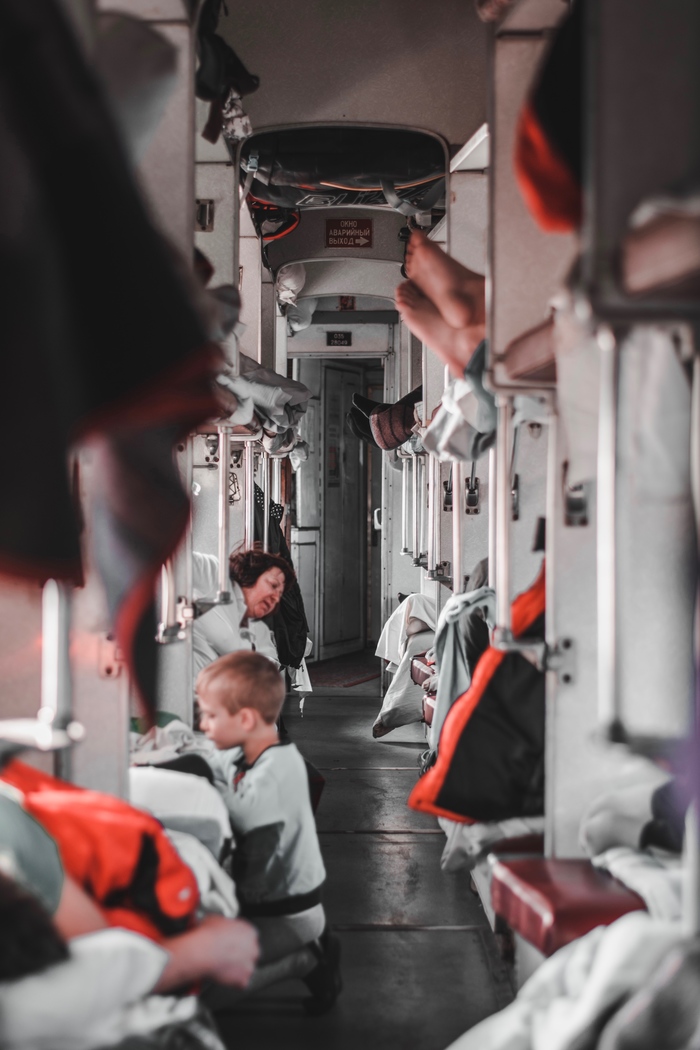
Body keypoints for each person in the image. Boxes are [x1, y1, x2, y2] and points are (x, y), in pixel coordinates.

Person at [196, 650, 342, 1014]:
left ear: (245, 719)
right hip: (266, 902)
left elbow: (242, 812)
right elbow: (219, 761)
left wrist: (208, 773)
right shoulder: (251, 749)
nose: (204, 726)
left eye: (211, 717)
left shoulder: (279, 766)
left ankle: (305, 960)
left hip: (289, 914)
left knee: (200, 998)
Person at [192, 546, 296, 677]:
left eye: (280, 594)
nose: (276, 598)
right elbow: (175, 559)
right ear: (251, 573)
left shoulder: (258, 628)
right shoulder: (217, 575)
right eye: (273, 585)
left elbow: (270, 664)